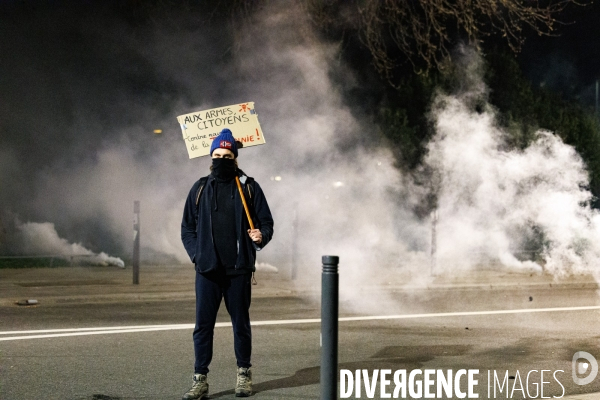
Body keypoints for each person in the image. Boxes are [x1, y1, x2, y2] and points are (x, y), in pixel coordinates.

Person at [180, 128, 274, 399]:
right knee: (202, 327)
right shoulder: (199, 188)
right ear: (211, 157)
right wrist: (197, 255)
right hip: (207, 271)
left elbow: (265, 222)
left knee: (240, 325)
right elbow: (187, 228)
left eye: (227, 154)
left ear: (235, 157)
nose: (221, 158)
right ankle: (200, 379)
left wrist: (261, 235)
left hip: (239, 270)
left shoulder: (249, 187)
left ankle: (244, 374)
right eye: (217, 155)